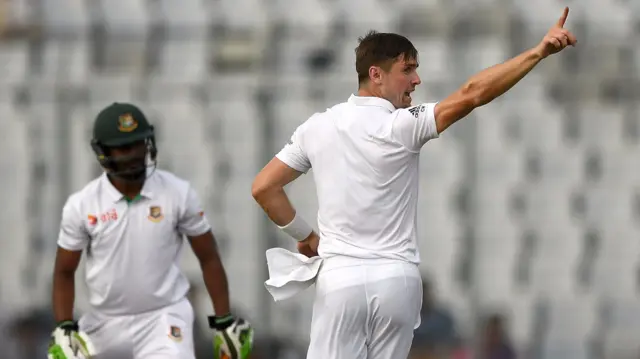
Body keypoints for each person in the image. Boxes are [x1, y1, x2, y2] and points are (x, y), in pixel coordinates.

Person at [251, 7, 576, 359]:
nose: (417, 80)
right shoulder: (403, 125)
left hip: (341, 278)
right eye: (407, 70)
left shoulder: (317, 126)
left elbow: (264, 188)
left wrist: (306, 236)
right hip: (396, 281)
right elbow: (473, 93)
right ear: (375, 74)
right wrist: (537, 52)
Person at [48, 103, 253, 359]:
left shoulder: (178, 193)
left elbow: (208, 256)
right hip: (104, 322)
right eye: (124, 148)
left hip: (164, 318)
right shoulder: (82, 205)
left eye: (138, 144)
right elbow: (64, 271)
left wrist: (224, 322)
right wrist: (65, 328)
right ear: (102, 151)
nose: (134, 154)